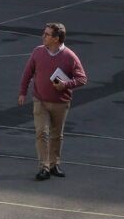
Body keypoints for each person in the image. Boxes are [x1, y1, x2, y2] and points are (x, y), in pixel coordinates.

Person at [20, 22, 87, 181]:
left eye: (47, 34)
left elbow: (82, 78)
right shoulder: (38, 52)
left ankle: (54, 164)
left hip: (60, 102)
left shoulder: (69, 56)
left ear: (56, 39)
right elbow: (27, 73)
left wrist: (66, 85)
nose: (43, 36)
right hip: (40, 100)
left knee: (56, 134)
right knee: (41, 132)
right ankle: (43, 167)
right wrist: (22, 92)